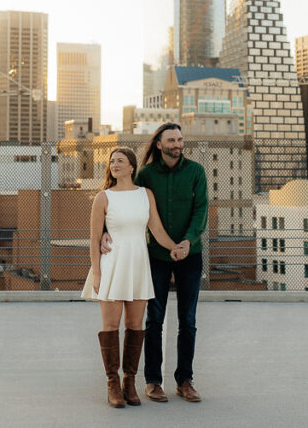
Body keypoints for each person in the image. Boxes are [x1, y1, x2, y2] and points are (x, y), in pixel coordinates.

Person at [102, 122, 207, 403]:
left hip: (190, 254)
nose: (177, 144)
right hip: (156, 257)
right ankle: (152, 381)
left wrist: (187, 241)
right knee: (154, 319)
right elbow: (124, 203)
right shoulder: (146, 175)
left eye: (180, 139)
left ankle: (185, 380)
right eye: (171, 139)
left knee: (188, 319)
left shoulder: (196, 171)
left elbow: (201, 210)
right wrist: (103, 232)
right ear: (159, 145)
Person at [81, 147, 187, 409]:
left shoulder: (145, 195)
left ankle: (130, 382)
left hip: (138, 265)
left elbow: (157, 229)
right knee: (110, 326)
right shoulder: (102, 198)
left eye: (120, 161)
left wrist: (176, 247)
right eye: (112, 161)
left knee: (135, 325)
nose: (115, 165)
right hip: (112, 265)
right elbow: (95, 238)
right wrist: (96, 272)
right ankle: (112, 384)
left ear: (131, 167)